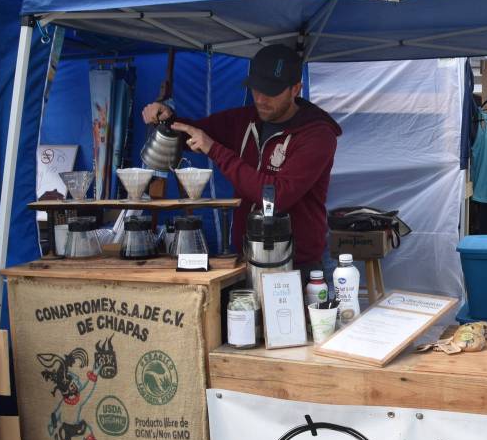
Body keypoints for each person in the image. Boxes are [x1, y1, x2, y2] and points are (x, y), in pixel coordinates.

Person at [142, 44, 342, 276]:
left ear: (295, 89)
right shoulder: (244, 120)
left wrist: (215, 150)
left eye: (271, 91)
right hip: (247, 258)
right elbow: (195, 132)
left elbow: (274, 197)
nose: (261, 99)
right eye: (256, 89)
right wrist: (167, 118)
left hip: (297, 265)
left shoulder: (317, 135)